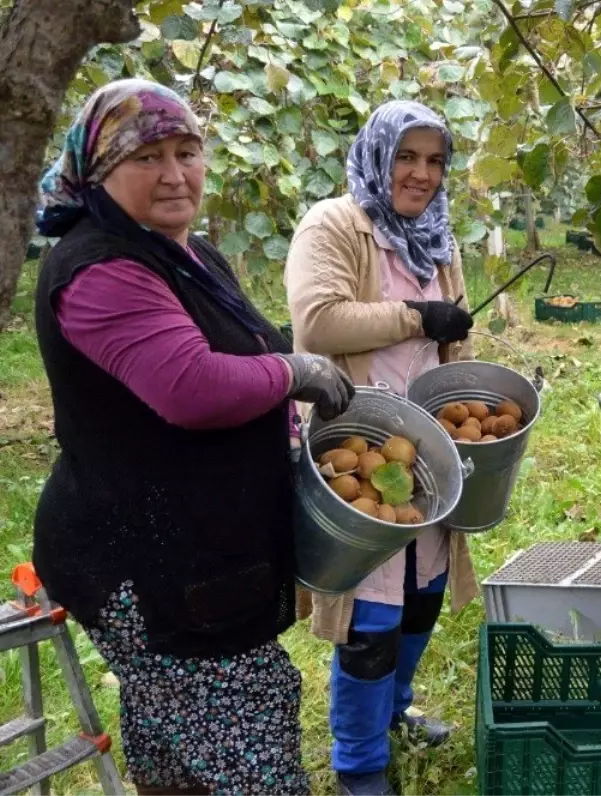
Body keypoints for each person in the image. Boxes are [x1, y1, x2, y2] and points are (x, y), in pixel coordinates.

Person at [31, 79, 353, 796]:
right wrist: (294, 370)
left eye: (188, 151)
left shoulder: (185, 253)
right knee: (248, 742)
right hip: (146, 564)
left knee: (174, 741)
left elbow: (227, 358)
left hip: (196, 550)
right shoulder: (101, 269)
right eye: (148, 157)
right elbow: (191, 388)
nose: (176, 174)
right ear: (99, 172)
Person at [285, 100, 479, 796]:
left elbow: (451, 340)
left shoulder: (436, 237)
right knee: (370, 609)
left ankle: (396, 713)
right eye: (407, 156)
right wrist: (416, 316)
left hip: (424, 449)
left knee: (422, 589)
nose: (421, 174)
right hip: (357, 445)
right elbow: (317, 319)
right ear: (378, 154)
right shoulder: (336, 224)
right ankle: (359, 763)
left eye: (434, 160)